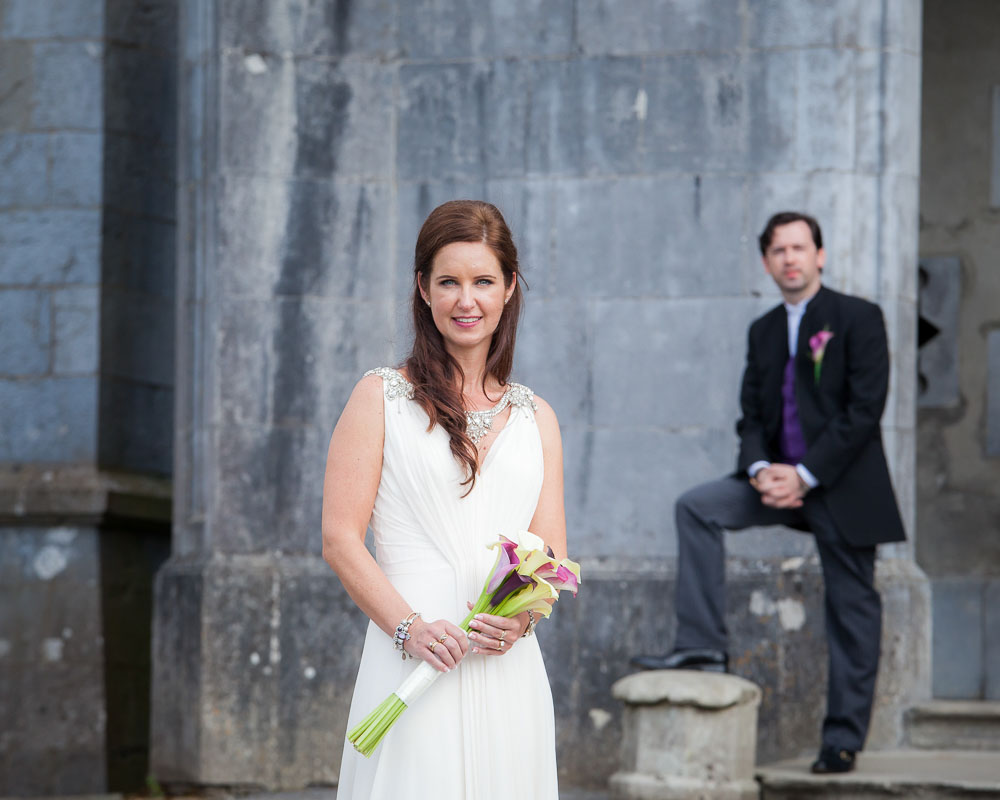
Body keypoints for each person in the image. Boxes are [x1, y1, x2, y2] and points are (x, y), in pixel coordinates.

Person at [630, 211, 905, 774]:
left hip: (839, 483)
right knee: (698, 507)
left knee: (853, 609)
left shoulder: (858, 317)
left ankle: (843, 740)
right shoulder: (762, 329)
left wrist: (804, 474)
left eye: (799, 248)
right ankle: (703, 644)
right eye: (778, 250)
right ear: (765, 262)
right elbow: (751, 415)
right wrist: (760, 470)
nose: (790, 258)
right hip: (773, 481)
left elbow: (862, 412)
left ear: (820, 256)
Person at [323, 200, 567, 799]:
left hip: (506, 667)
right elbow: (339, 538)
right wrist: (409, 629)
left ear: (509, 289)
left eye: (483, 281)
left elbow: (552, 556)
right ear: (422, 290)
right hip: (412, 657)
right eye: (448, 282)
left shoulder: (538, 418)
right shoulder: (379, 397)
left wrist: (521, 621)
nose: (467, 300)